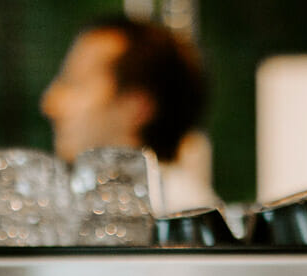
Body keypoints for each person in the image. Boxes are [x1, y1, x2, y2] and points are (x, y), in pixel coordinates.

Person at [40, 15, 218, 213]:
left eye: (75, 83)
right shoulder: (74, 204)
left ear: (136, 107)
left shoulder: (179, 214)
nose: (49, 104)